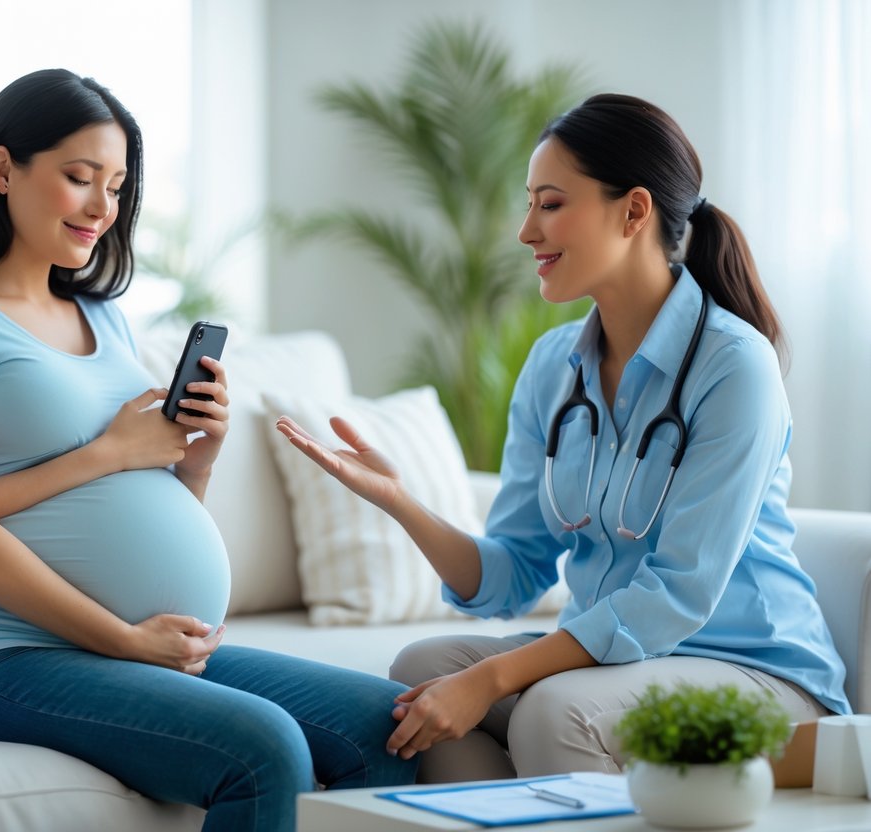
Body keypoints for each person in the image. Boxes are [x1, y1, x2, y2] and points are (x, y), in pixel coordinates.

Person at [0, 68, 417, 831]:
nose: (103, 206)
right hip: (8, 653)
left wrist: (192, 461)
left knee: (384, 724)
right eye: (79, 178)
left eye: (118, 186)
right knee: (263, 748)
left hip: (142, 646)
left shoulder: (106, 318)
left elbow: (144, 503)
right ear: (4, 169)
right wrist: (125, 629)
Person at [275, 93, 850, 782]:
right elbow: (511, 574)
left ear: (633, 211)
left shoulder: (733, 366)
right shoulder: (553, 367)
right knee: (418, 674)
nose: (524, 231)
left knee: (554, 709)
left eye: (549, 204)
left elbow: (675, 596)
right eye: (529, 204)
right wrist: (400, 501)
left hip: (757, 674)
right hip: (624, 665)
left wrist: (490, 681)